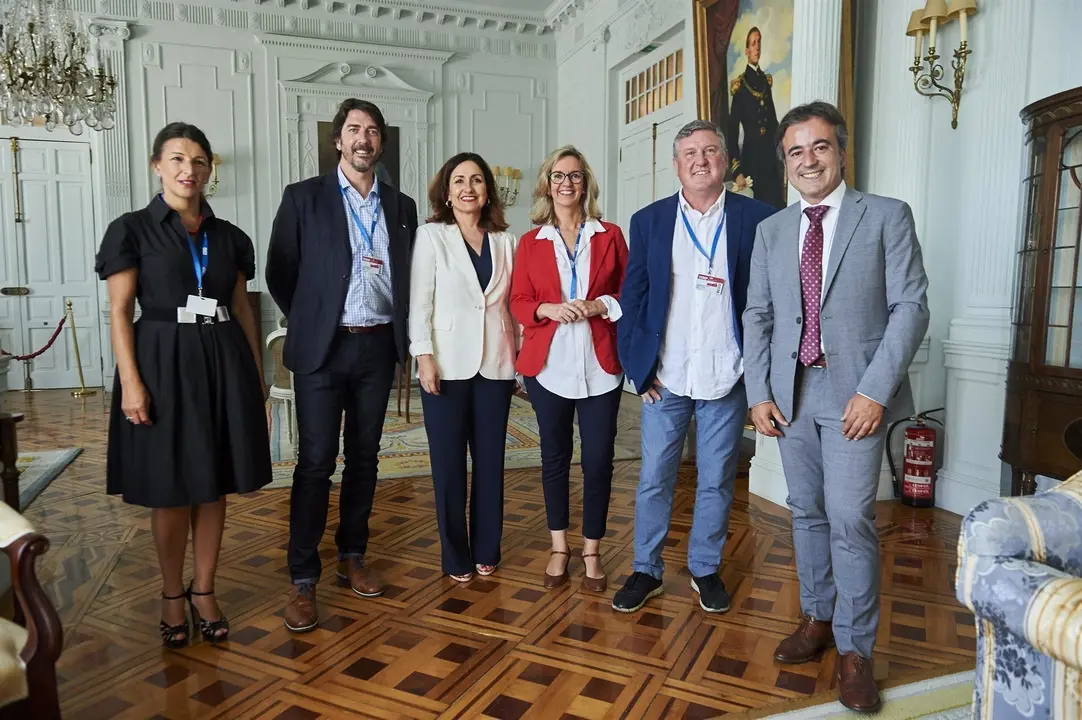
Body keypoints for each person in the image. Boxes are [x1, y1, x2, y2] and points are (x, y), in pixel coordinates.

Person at [743, 101, 929, 713]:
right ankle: (818, 620)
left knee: (850, 518)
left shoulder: (885, 216)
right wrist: (760, 392)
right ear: (786, 163)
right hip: (792, 394)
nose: (808, 160)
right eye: (796, 151)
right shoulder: (772, 230)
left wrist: (874, 391)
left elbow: (911, 306)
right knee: (806, 512)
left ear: (841, 151)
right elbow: (759, 315)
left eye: (820, 147)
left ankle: (856, 651)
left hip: (856, 393)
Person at [95, 122, 271, 647]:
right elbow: (120, 309)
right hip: (161, 363)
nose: (188, 170)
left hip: (223, 361)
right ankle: (172, 594)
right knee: (171, 487)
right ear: (157, 166)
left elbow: (240, 308)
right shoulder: (130, 230)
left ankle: (205, 590)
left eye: (198, 161)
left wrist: (257, 387)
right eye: (176, 159)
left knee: (214, 483)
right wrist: (131, 384)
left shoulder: (230, 236)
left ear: (209, 170)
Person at [266, 98, 418, 632]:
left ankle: (353, 554)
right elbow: (280, 270)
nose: (364, 138)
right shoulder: (303, 198)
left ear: (381, 142)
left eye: (373, 131)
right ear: (338, 140)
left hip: (377, 348)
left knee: (366, 458)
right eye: (354, 129)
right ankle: (303, 576)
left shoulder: (401, 207)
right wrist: (311, 318)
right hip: (323, 349)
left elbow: (408, 277)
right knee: (314, 461)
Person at [614, 120, 775, 614]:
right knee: (655, 478)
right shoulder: (649, 220)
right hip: (668, 376)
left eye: (710, 150)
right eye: (690, 153)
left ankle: (705, 569)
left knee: (716, 478)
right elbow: (633, 297)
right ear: (676, 164)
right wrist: (639, 370)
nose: (701, 160)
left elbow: (770, 302)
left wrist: (758, 378)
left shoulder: (760, 219)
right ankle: (647, 569)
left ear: (726, 161)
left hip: (727, 376)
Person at [510, 146, 626, 593]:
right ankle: (559, 546)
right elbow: (519, 301)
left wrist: (600, 304)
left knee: (598, 461)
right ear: (547, 185)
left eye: (575, 176)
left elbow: (629, 292)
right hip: (548, 368)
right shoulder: (530, 242)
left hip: (601, 367)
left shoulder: (610, 235)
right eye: (558, 176)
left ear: (586, 184)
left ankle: (592, 549)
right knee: (554, 459)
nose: (566, 184)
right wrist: (548, 308)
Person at [409, 152, 517, 582]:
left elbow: (512, 307)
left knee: (491, 462)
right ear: (447, 192)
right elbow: (421, 302)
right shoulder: (432, 236)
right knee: (449, 465)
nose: (468, 188)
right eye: (459, 181)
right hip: (446, 365)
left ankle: (487, 547)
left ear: (487, 189)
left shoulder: (508, 242)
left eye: (476, 180)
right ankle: (455, 555)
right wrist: (424, 356)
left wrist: (522, 362)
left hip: (496, 364)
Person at [727, 27, 784, 209]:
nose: (757, 47)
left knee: (776, 206)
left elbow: (774, 122)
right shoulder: (740, 86)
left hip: (770, 156)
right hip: (751, 159)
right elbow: (732, 131)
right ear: (747, 51)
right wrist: (736, 170)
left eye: (759, 42)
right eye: (753, 43)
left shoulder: (765, 81)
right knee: (756, 210)